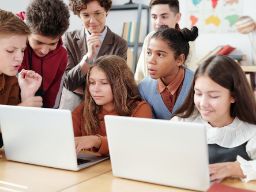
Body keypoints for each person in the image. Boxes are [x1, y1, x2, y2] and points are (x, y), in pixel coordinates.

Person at [173, 55, 256, 182]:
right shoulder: (183, 122)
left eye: (214, 96)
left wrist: (234, 168)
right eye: (198, 93)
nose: (203, 103)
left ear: (233, 96)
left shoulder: (250, 131)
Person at [72, 55, 152, 156]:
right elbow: (67, 139)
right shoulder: (84, 108)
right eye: (92, 82)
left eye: (104, 83)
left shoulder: (140, 109)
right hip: (90, 170)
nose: (95, 89)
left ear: (121, 84)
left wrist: (97, 141)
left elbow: (134, 145)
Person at [60, 0, 127, 110]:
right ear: (79, 15)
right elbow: (68, 83)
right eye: (86, 15)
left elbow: (116, 83)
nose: (92, 21)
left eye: (97, 13)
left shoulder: (119, 44)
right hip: (74, 101)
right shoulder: (69, 39)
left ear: (106, 11)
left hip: (105, 103)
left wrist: (82, 87)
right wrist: (89, 56)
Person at [0, 9, 42, 147]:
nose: (19, 58)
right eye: (10, 51)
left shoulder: (11, 79)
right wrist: (18, 112)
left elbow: (22, 140)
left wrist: (26, 95)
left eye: (22, 50)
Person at [17, 0, 70, 108]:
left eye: (52, 43)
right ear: (26, 28)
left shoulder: (62, 55)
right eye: (38, 42)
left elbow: (53, 96)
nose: (44, 50)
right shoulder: (12, 42)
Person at [138, 26, 197, 119]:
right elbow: (148, 126)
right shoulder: (144, 87)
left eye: (160, 55)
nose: (151, 60)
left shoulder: (197, 84)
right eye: (149, 53)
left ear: (179, 60)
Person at [135, 0, 197, 83]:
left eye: (164, 17)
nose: (158, 22)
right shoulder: (149, 38)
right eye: (154, 17)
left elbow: (190, 80)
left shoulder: (187, 41)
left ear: (177, 17)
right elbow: (139, 76)